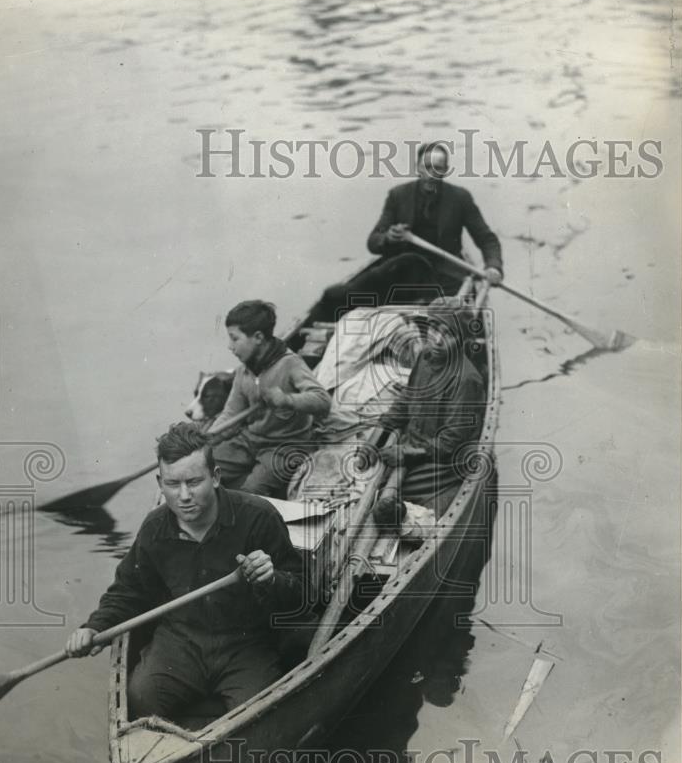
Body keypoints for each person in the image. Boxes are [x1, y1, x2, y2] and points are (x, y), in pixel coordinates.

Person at [66, 422, 304, 722]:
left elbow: (301, 594)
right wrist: (94, 628)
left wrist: (271, 579)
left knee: (258, 715)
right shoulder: (154, 529)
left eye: (193, 482)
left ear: (216, 477)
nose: (184, 496)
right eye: (172, 484)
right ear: (159, 483)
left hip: (246, 644)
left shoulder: (258, 516)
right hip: (180, 642)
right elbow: (128, 592)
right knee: (139, 699)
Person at [305, 141, 503, 327]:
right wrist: (389, 238)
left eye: (438, 168)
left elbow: (487, 239)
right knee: (333, 297)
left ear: (445, 171)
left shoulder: (460, 198)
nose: (431, 174)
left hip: (445, 279)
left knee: (447, 324)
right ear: (417, 168)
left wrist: (493, 267)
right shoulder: (398, 195)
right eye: (426, 167)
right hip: (401, 277)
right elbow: (373, 242)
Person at [374, 304, 487, 521]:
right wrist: (382, 428)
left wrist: (407, 454)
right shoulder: (425, 356)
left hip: (442, 465)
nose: (436, 339)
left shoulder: (466, 380)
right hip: (414, 446)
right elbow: (408, 397)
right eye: (434, 329)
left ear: (461, 341)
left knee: (391, 507)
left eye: (448, 335)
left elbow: (449, 443)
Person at [210, 300, 331, 498]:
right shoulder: (243, 371)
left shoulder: (290, 364)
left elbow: (323, 401)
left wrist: (286, 400)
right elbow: (231, 415)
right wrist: (208, 438)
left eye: (235, 339)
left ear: (258, 337)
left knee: (252, 491)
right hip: (250, 440)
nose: (230, 347)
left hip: (287, 445)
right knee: (203, 469)